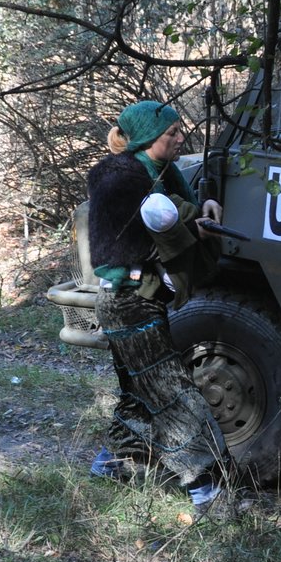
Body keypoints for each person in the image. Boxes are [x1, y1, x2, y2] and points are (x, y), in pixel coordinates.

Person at [86, 100, 236, 519]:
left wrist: (200, 209)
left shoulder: (157, 173)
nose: (180, 138)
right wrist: (190, 228)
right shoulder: (119, 179)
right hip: (127, 301)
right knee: (173, 394)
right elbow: (129, 242)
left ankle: (110, 466)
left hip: (139, 300)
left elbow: (173, 210)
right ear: (150, 139)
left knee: (139, 391)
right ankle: (208, 493)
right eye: (172, 134)